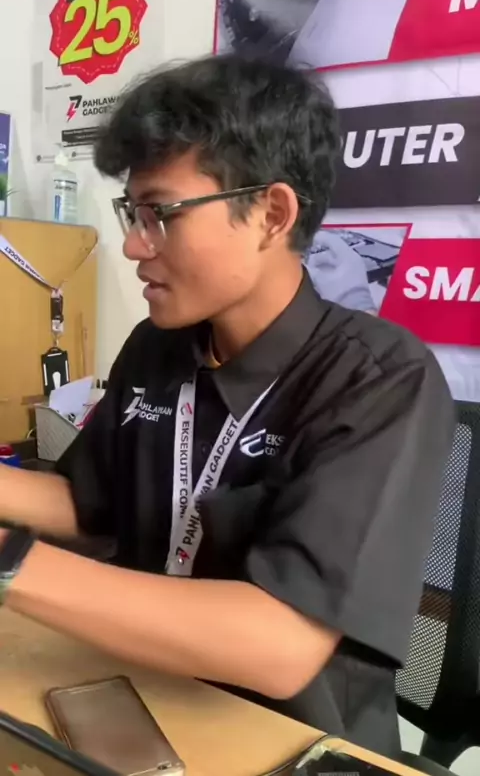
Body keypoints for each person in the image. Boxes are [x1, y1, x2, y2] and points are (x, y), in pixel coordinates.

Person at [0, 55, 453, 757]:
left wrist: (10, 563)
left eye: (160, 214)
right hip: (138, 688)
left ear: (271, 214)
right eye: (131, 212)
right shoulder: (158, 346)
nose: (133, 245)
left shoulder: (379, 380)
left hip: (289, 739)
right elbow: (89, 502)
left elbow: (280, 642)